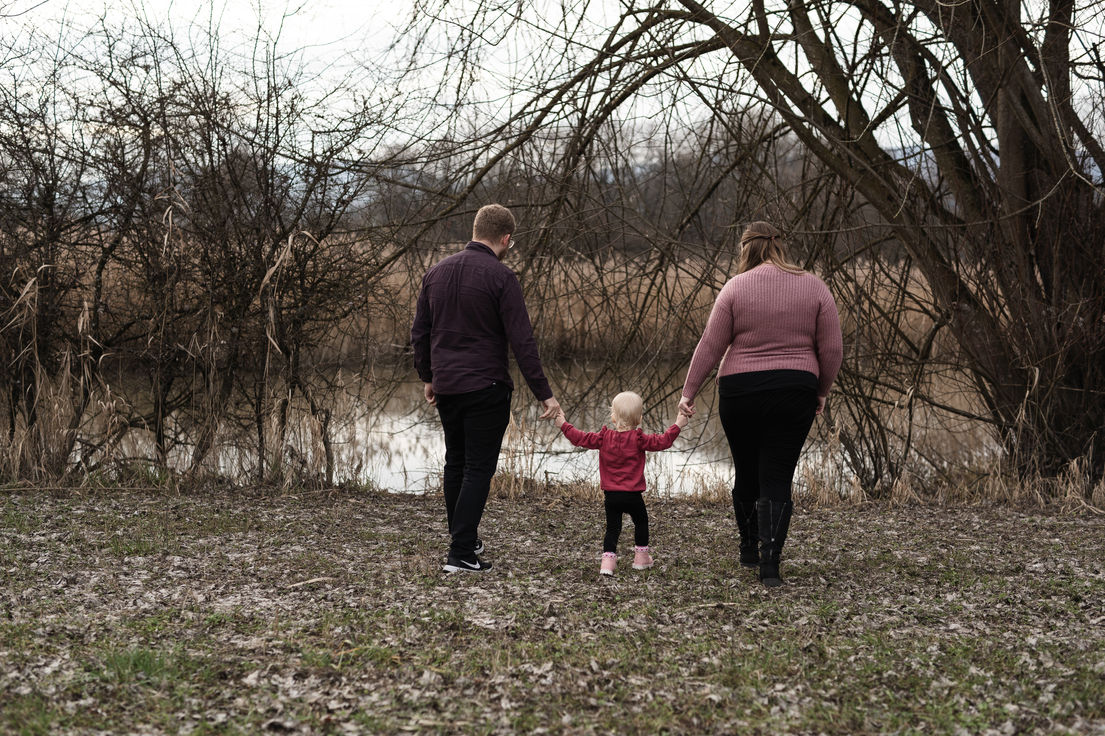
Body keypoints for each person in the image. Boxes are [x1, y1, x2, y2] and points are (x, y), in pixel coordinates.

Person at [678, 221, 842, 588]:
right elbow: (832, 349)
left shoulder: (735, 288)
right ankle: (771, 566)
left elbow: (710, 345)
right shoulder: (814, 286)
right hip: (795, 390)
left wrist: (688, 394)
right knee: (778, 477)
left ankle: (749, 548)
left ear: (745, 250)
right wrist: (821, 391)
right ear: (779, 247)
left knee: (747, 472)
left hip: (740, 391)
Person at [411, 204, 560, 573]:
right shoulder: (502, 278)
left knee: (455, 463)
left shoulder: (436, 273)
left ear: (475, 229)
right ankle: (461, 552)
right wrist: (545, 394)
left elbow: (420, 333)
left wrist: (428, 376)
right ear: (506, 239)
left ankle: (465, 538)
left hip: (447, 385)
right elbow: (522, 342)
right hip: (485, 386)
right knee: (477, 468)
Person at [554, 391, 688, 576]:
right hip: (633, 496)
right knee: (641, 522)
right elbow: (663, 441)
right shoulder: (639, 440)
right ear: (639, 419)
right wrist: (678, 424)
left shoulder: (604, 438)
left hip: (611, 496)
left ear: (613, 418)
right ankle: (641, 559)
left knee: (612, 528)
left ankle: (607, 565)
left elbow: (580, 438)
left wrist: (563, 424)